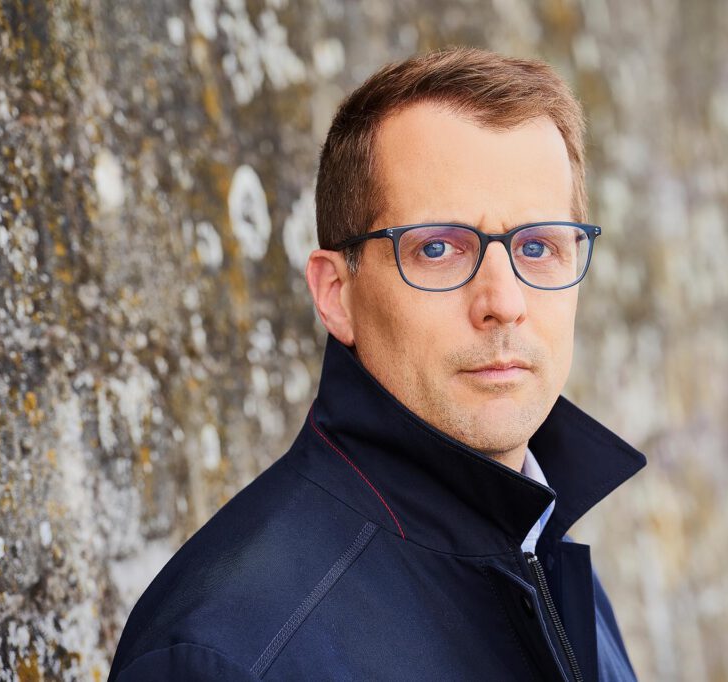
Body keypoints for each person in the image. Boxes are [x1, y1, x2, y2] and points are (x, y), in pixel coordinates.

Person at [109, 46, 646, 681]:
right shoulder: (227, 657)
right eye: (438, 248)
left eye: (538, 246)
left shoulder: (542, 551)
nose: (504, 303)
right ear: (336, 294)